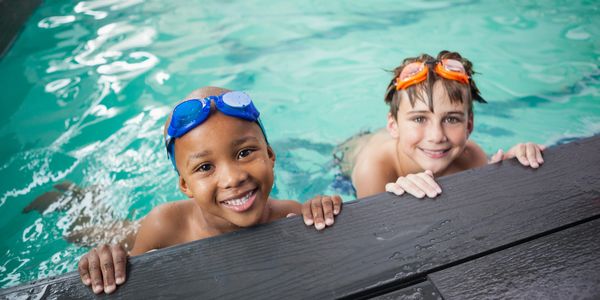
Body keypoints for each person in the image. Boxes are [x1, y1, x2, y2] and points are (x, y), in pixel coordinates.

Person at [78, 86, 343, 294]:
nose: (232, 178)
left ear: (270, 155)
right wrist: (111, 261)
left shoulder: (291, 216)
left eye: (244, 152)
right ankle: (78, 198)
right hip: (164, 222)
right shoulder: (164, 226)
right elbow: (133, 282)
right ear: (185, 185)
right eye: (205, 167)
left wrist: (320, 211)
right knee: (99, 231)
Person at [338, 50, 545, 198]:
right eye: (419, 118)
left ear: (469, 126)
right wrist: (400, 201)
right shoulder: (374, 170)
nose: (437, 136)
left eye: (451, 119)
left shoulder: (471, 156)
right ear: (394, 126)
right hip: (351, 161)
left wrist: (508, 167)